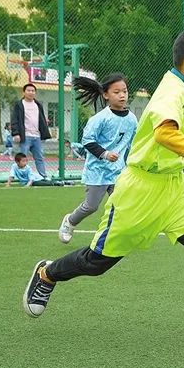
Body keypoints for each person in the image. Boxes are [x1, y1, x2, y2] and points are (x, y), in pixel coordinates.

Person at [23, 24, 184, 346]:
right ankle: (47, 274)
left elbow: (178, 137)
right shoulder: (172, 91)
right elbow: (165, 134)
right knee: (98, 262)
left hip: (173, 189)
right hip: (140, 191)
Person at [58, 74, 138, 244]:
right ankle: (70, 221)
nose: (122, 95)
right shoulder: (100, 119)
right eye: (117, 92)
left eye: (124, 91)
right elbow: (87, 141)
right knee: (91, 206)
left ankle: (117, 234)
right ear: (106, 95)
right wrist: (105, 154)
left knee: (122, 203)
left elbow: (135, 141)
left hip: (118, 171)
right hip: (97, 172)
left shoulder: (132, 119)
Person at [11, 83, 51, 179]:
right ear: (24, 92)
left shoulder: (38, 104)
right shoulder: (19, 105)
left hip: (36, 136)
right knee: (22, 158)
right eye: (28, 90)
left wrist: (44, 129)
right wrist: (16, 133)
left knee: (39, 158)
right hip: (25, 136)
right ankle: (21, 177)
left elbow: (41, 118)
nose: (31, 92)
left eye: (33, 91)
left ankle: (43, 176)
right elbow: (14, 119)